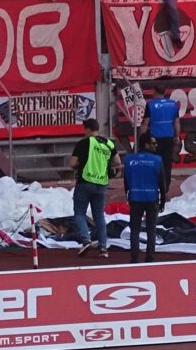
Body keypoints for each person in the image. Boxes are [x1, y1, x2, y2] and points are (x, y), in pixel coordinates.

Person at [70, 118, 116, 256]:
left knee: (79, 213)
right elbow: (117, 161)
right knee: (99, 216)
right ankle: (103, 247)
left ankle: (86, 239)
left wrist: (80, 165)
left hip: (85, 181)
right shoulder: (108, 143)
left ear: (88, 129)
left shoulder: (84, 143)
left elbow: (72, 163)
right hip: (101, 184)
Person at [121, 134, 164, 263]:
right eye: (153, 143)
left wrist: (127, 194)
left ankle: (134, 258)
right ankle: (150, 257)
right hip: (152, 198)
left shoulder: (129, 160)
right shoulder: (157, 160)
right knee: (151, 228)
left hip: (135, 197)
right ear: (146, 144)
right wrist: (162, 200)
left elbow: (126, 180)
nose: (156, 145)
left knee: (135, 229)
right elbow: (162, 182)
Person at [142, 92, 181, 208]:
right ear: (164, 93)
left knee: (154, 163)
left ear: (154, 91)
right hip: (168, 138)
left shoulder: (151, 105)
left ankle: (154, 188)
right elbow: (177, 122)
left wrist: (141, 138)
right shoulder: (173, 104)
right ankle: (165, 187)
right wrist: (176, 136)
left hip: (155, 139)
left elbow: (145, 123)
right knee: (167, 163)